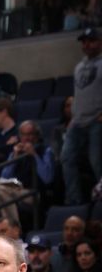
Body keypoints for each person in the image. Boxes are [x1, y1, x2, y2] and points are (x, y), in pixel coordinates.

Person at [61, 27, 102, 204]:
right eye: (84, 42)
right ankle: (75, 201)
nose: (87, 45)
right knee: (66, 157)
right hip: (78, 121)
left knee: (96, 161)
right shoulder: (78, 67)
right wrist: (73, 117)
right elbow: (78, 93)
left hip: (97, 120)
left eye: (91, 41)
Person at [0, 120, 55, 225]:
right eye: (23, 134)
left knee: (1, 191)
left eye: (30, 134)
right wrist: (15, 157)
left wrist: (34, 155)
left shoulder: (45, 151)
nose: (27, 138)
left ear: (37, 135)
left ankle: (13, 227)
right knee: (0, 189)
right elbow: (4, 177)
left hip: (35, 193)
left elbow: (47, 178)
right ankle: (13, 227)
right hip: (15, 189)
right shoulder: (17, 151)